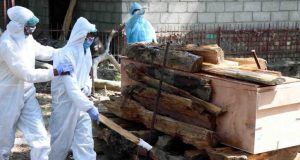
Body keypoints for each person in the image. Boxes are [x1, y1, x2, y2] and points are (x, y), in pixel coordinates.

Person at [0, 6, 72, 160]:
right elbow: (26, 73)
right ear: (18, 26)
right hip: (7, 96)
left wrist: (62, 51)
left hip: (27, 94)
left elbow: (40, 50)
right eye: (29, 27)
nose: (32, 30)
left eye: (33, 27)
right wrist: (54, 72)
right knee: (3, 144)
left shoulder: (26, 37)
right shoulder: (7, 44)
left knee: (40, 139)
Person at [49, 17, 100, 160]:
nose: (91, 38)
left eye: (92, 35)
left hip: (80, 103)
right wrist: (89, 107)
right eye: (88, 35)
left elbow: (86, 74)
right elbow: (70, 86)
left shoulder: (86, 52)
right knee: (60, 144)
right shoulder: (64, 54)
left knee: (85, 141)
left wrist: (87, 87)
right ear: (80, 34)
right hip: (65, 104)